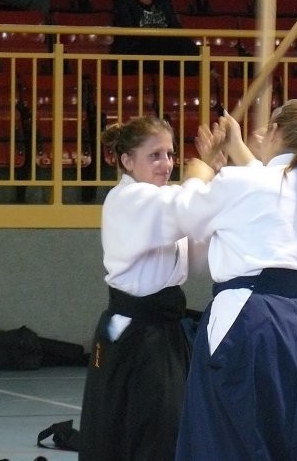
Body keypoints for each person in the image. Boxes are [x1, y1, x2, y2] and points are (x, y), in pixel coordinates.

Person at [171, 99, 297, 461]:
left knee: (232, 433)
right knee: (282, 428)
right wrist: (235, 148)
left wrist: (199, 173)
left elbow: (186, 217)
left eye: (268, 127)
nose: (260, 134)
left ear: (277, 133)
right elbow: (268, 183)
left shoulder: (242, 182)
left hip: (246, 317)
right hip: (296, 319)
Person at [77, 115, 214, 461]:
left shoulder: (163, 198)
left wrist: (215, 172)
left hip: (164, 331)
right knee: (134, 429)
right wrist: (199, 178)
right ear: (127, 160)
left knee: (166, 428)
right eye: (155, 155)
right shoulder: (127, 199)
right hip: (133, 333)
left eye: (170, 154)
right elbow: (186, 210)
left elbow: (199, 250)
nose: (166, 163)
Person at [110, 0, 199, 75]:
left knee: (183, 43)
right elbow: (128, 32)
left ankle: (205, 73)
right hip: (136, 50)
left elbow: (174, 25)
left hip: (164, 48)